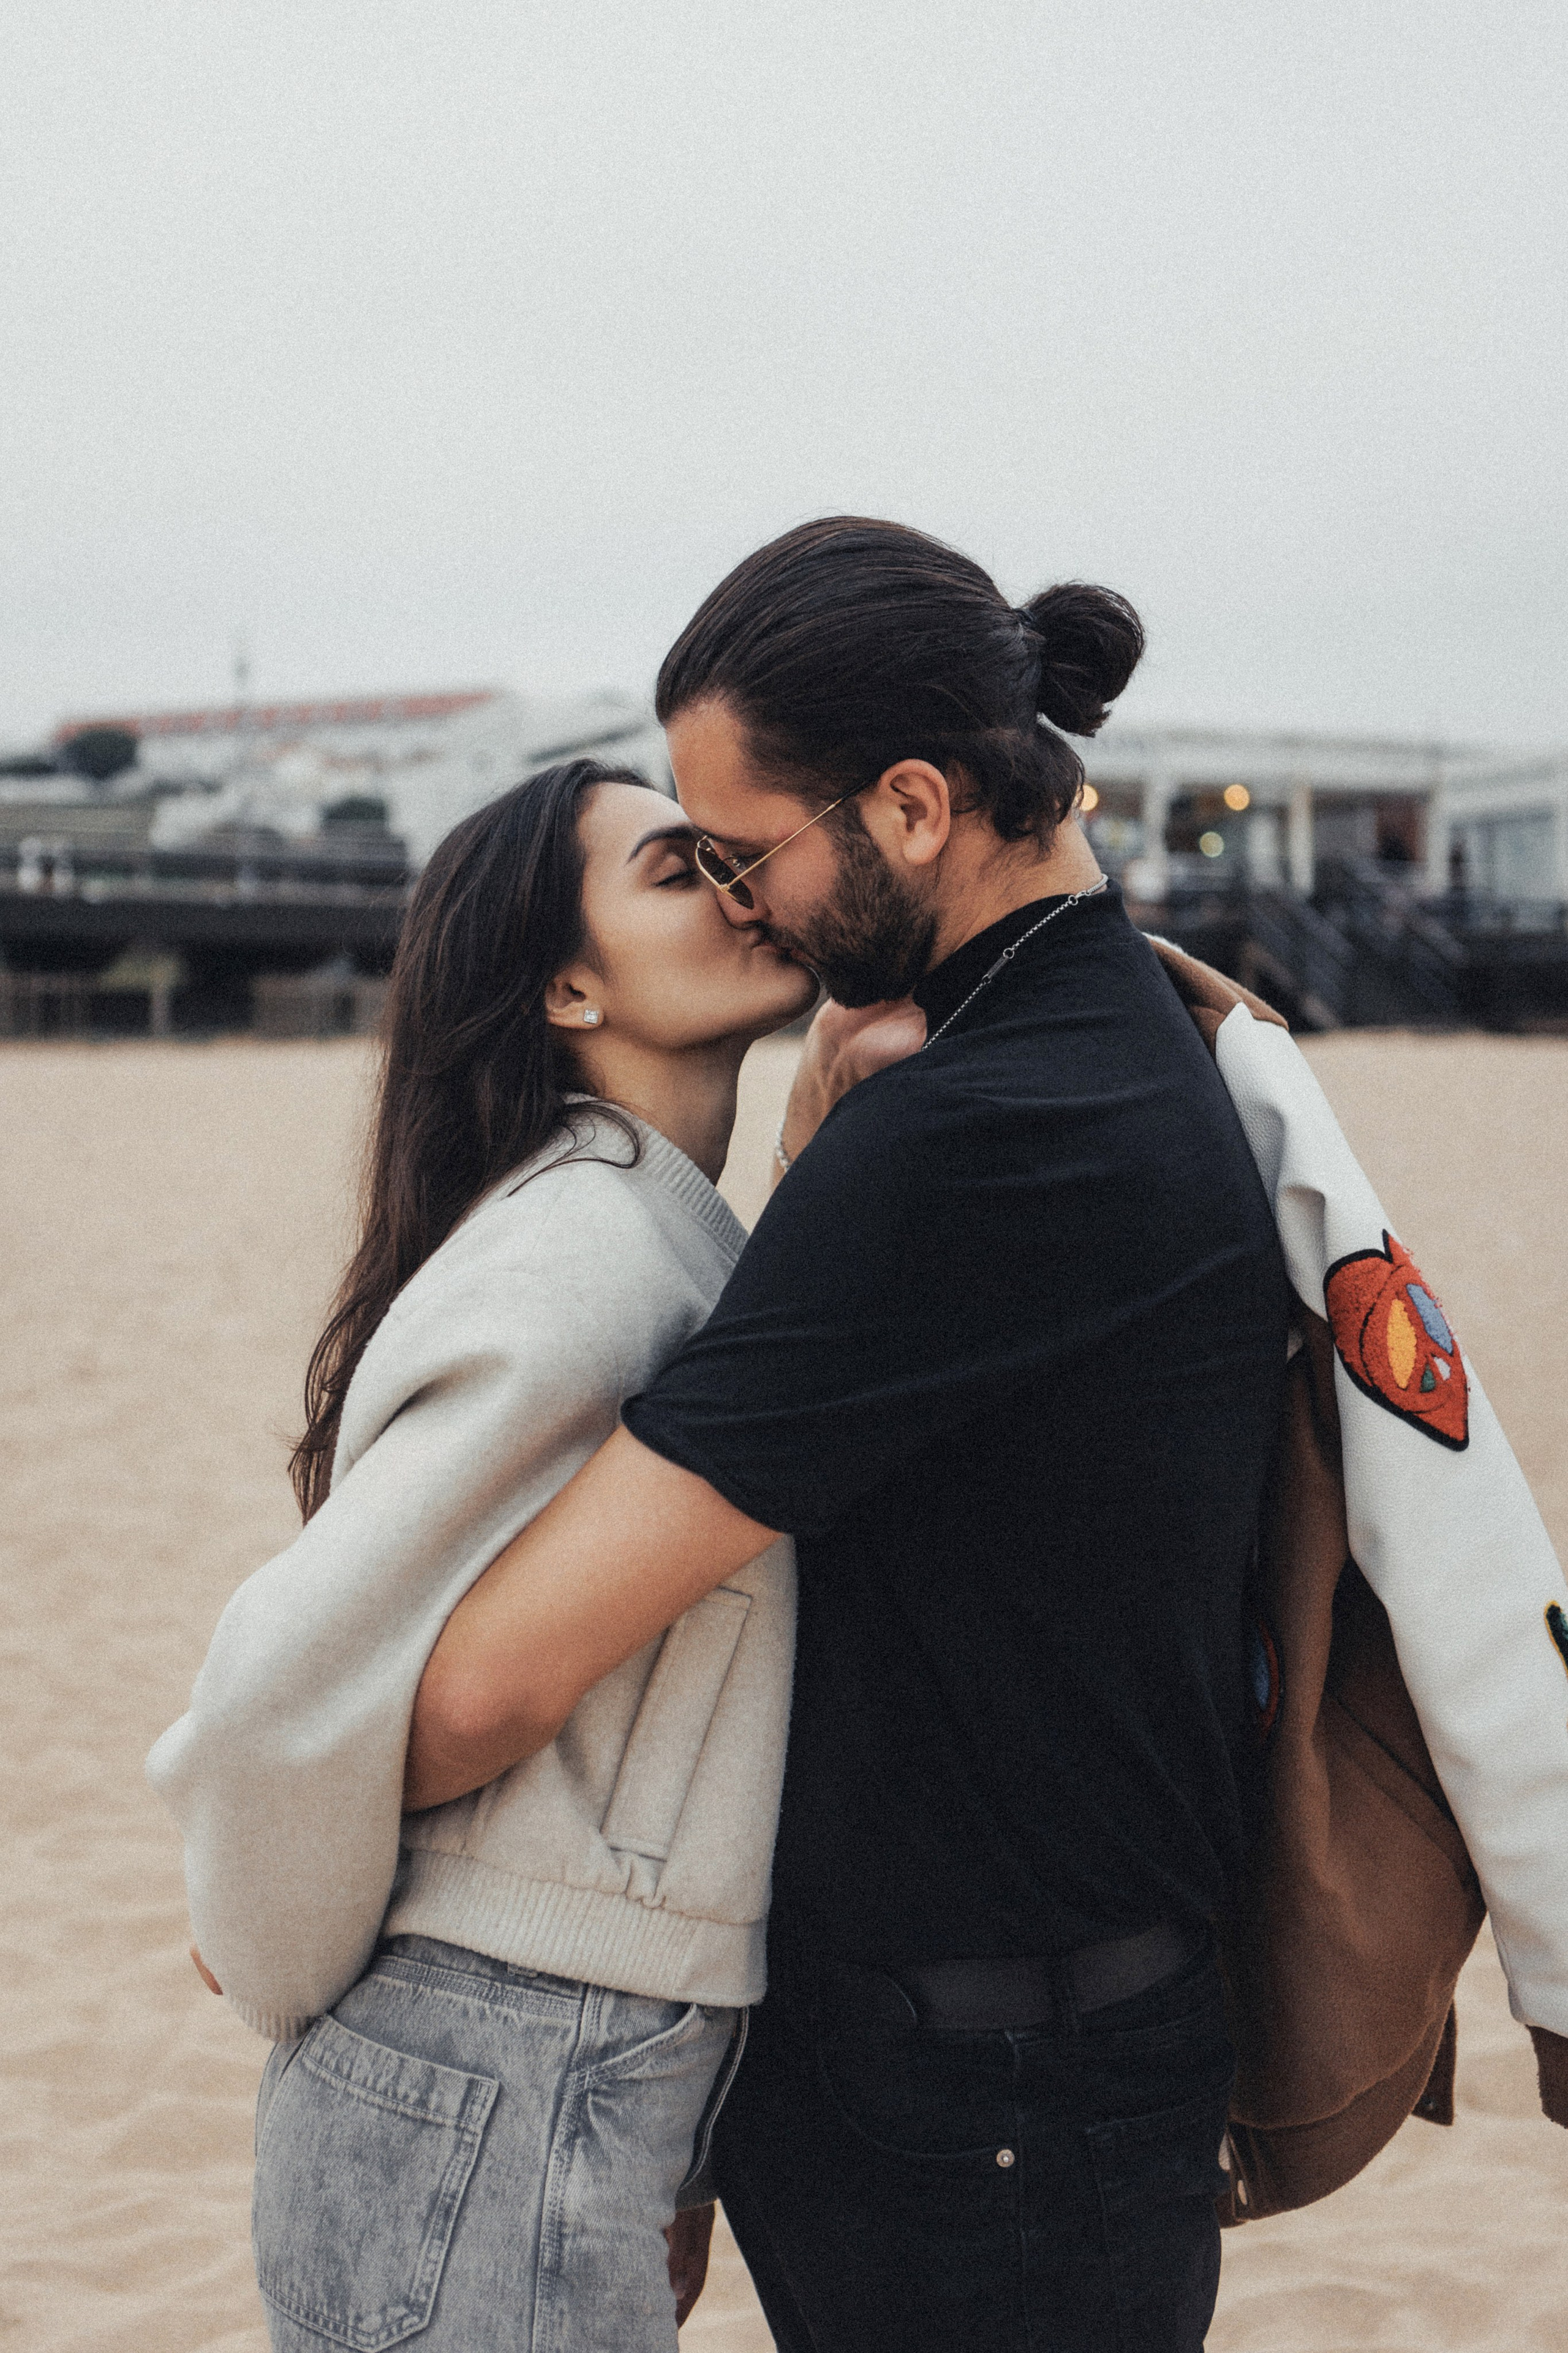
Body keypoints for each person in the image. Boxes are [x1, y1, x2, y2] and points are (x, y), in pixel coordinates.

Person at [405, 518, 1294, 2352]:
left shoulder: (977, 1136)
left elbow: (498, 1676)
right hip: (1015, 2069)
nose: (741, 903)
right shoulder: (1092, 1034)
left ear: (907, 807)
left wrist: (282, 1833)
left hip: (990, 2110)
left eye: (745, 852)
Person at [146, 758, 815, 2352]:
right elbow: (271, 1681)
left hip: (525, 2054)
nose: (738, 883)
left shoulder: (647, 1226)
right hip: (494, 2048)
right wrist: (268, 1951)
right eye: (677, 868)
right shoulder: (590, 1248)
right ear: (568, 984)